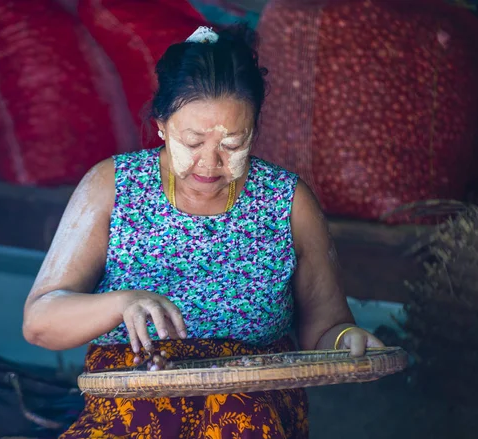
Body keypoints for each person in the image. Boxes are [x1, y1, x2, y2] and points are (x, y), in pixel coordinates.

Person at [22, 24, 384, 439]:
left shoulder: (289, 203)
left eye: (232, 145)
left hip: (251, 408)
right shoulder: (112, 187)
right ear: (161, 125)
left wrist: (347, 340)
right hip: (133, 406)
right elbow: (40, 321)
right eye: (192, 141)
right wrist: (121, 303)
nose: (209, 164)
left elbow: (325, 328)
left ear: (256, 129)